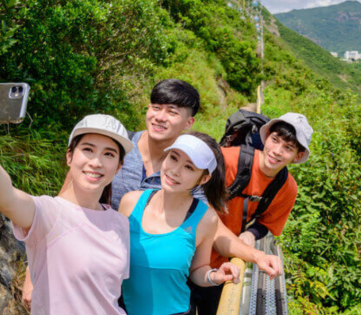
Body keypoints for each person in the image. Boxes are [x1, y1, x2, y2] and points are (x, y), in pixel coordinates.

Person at [22, 79, 281, 308]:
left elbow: (214, 232)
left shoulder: (188, 178)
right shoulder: (113, 149)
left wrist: (257, 256)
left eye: (172, 112)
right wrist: (33, 273)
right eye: (155, 107)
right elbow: (59, 212)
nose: (160, 117)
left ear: (189, 122)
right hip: (88, 274)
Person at [0, 79, 132, 315]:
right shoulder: (50, 212)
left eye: (109, 154)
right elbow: (5, 196)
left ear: (117, 167)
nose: (96, 162)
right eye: (88, 149)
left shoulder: (120, 223)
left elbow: (108, 294)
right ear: (69, 157)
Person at [191, 113, 313, 315]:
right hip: (187, 254)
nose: (277, 151)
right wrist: (257, 255)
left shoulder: (286, 187)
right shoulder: (229, 160)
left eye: (288, 148)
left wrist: (250, 234)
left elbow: (268, 222)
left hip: (222, 263)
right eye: (275, 140)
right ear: (266, 137)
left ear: (297, 156)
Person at [119, 132, 239, 314]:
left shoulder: (206, 218)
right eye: (173, 158)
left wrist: (214, 276)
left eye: (189, 167)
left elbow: (198, 269)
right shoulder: (130, 203)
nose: (175, 170)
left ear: (204, 179)